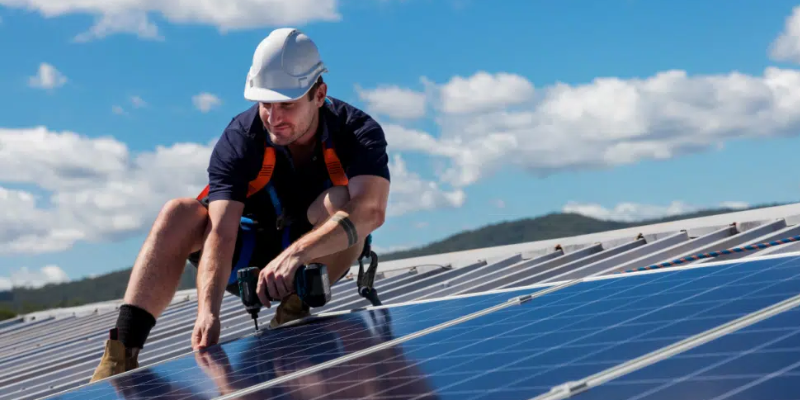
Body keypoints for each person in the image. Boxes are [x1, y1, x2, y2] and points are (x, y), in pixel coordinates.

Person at [89, 27, 391, 382]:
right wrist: (208, 312)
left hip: (309, 262)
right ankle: (122, 351)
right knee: (179, 212)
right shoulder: (240, 139)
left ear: (319, 94)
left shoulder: (356, 131)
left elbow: (372, 209)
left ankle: (294, 310)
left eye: (287, 105)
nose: (274, 117)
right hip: (245, 256)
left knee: (343, 202)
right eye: (266, 104)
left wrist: (296, 256)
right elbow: (220, 232)